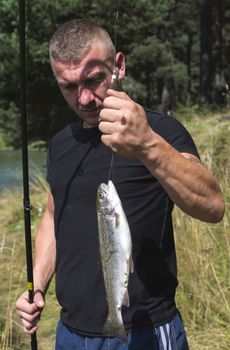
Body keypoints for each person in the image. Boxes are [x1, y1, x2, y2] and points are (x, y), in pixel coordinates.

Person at [16, 18, 225, 350]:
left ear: (119, 66)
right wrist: (37, 286)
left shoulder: (159, 131)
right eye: (68, 86)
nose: (84, 98)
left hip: (146, 328)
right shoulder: (61, 143)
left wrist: (147, 145)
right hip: (70, 331)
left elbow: (213, 207)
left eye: (94, 79)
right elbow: (53, 219)